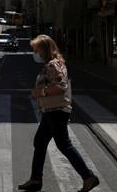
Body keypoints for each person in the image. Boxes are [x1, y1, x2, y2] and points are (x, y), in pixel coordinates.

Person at [18, 35, 100, 192]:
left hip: (56, 111)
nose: (35, 53)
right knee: (40, 142)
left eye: (36, 50)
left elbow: (61, 86)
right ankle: (35, 180)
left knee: (64, 144)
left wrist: (40, 92)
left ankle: (88, 177)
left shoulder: (52, 65)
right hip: (51, 111)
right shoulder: (54, 64)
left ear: (44, 50)